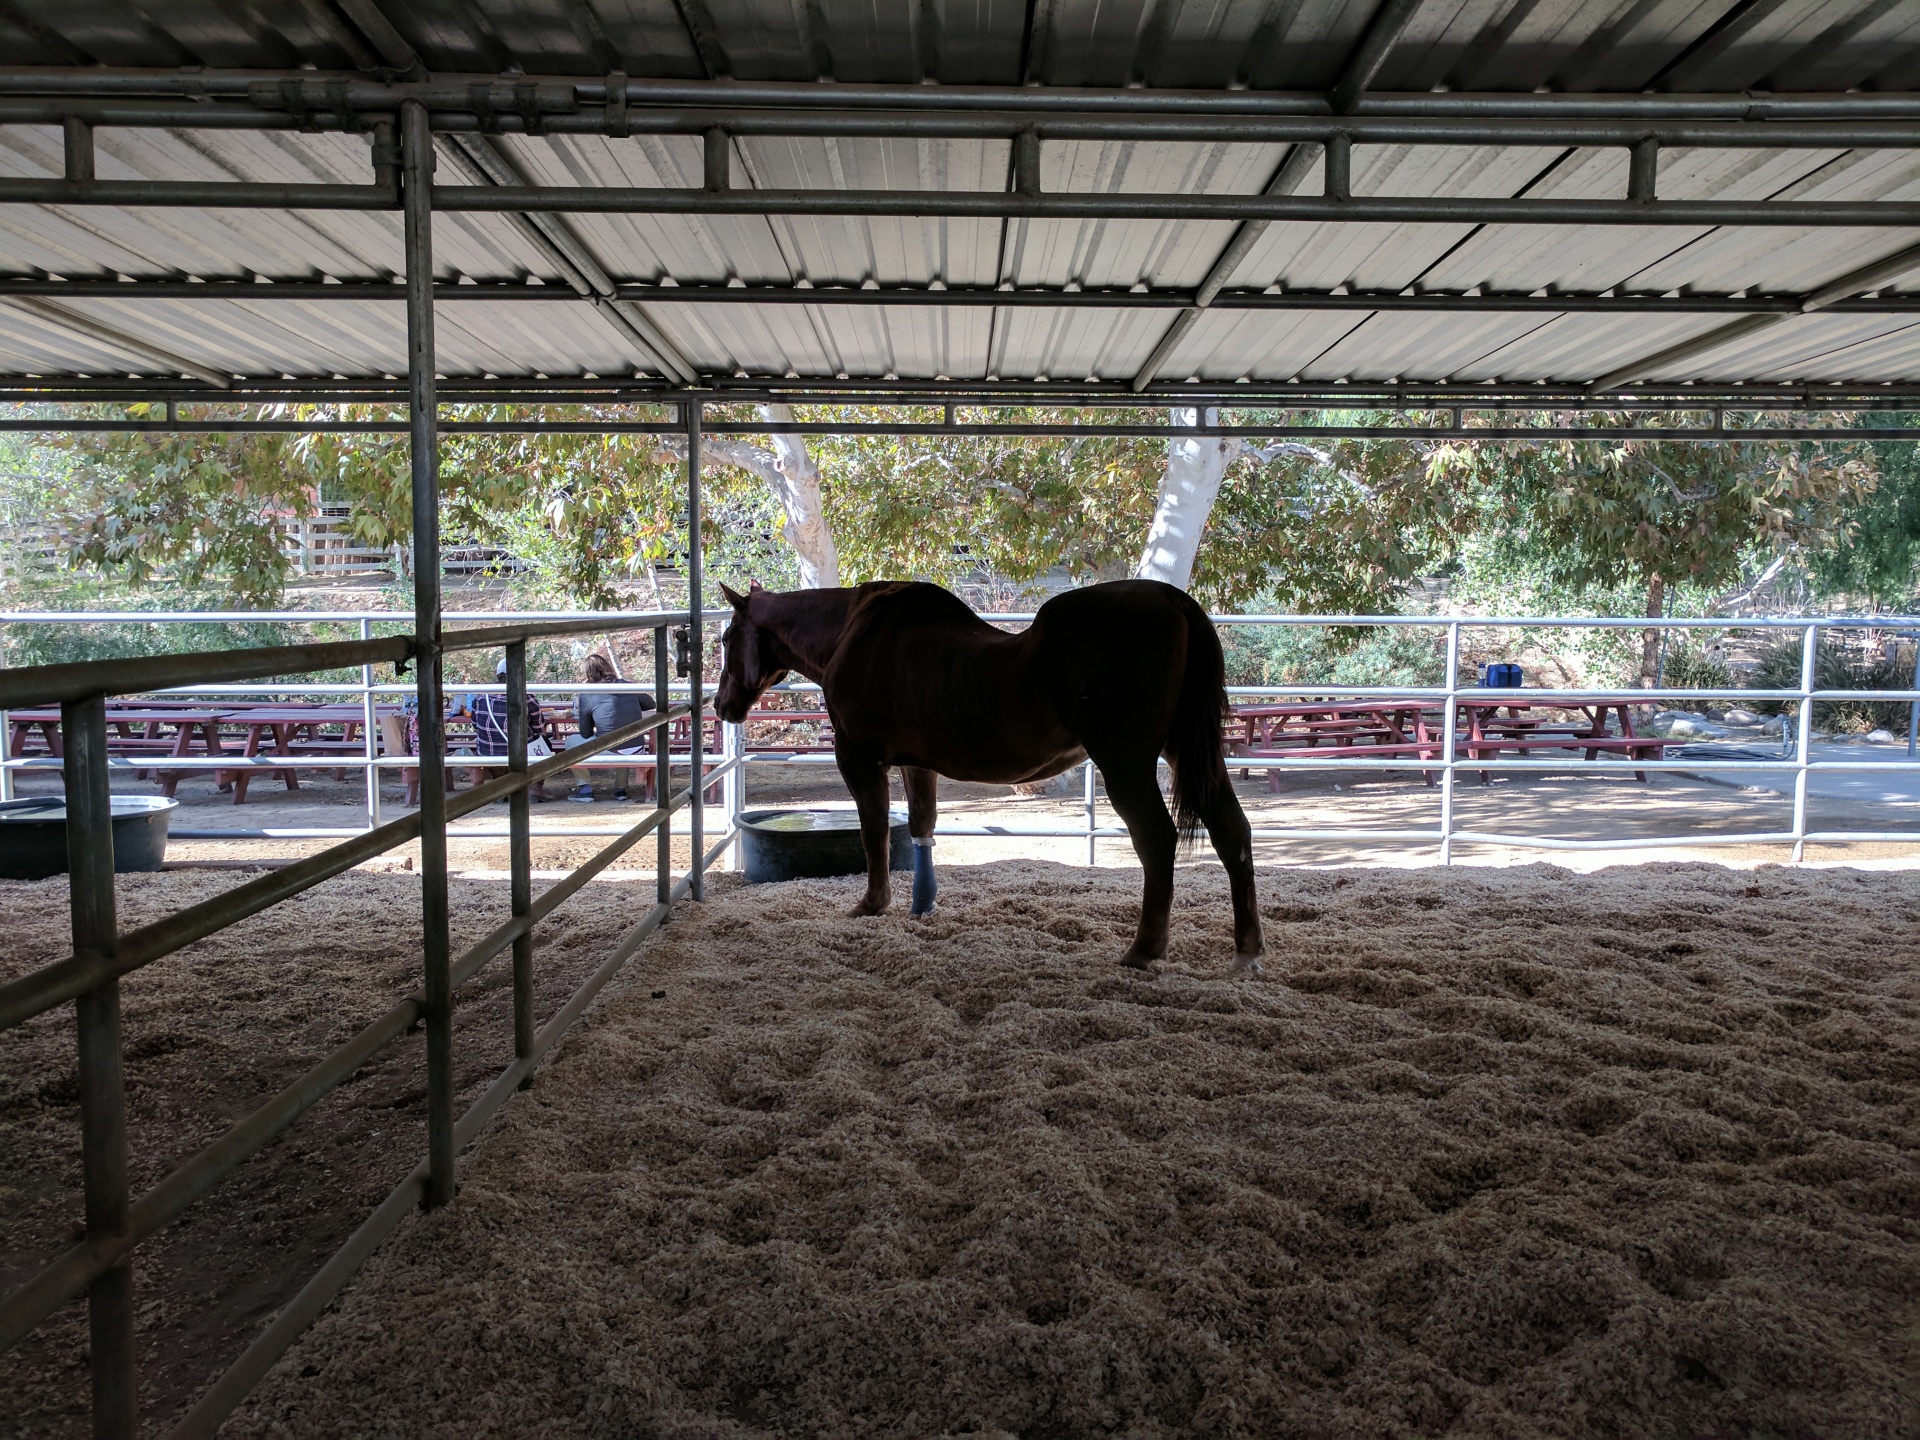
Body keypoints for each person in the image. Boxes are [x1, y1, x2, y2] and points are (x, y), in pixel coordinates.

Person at [455, 659, 548, 801]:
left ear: (497, 675)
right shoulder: (526, 698)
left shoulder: (481, 697)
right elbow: (539, 729)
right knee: (545, 743)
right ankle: (535, 789)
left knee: (495, 746)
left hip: (488, 753)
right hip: (520, 752)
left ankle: (502, 787)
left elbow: (475, 725)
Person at [567, 653, 655, 802]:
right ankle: (620, 789)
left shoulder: (588, 694)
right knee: (620, 737)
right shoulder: (628, 686)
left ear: (588, 673)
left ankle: (584, 790)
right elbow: (651, 704)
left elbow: (585, 732)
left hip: (614, 747)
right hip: (636, 746)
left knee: (571, 742)